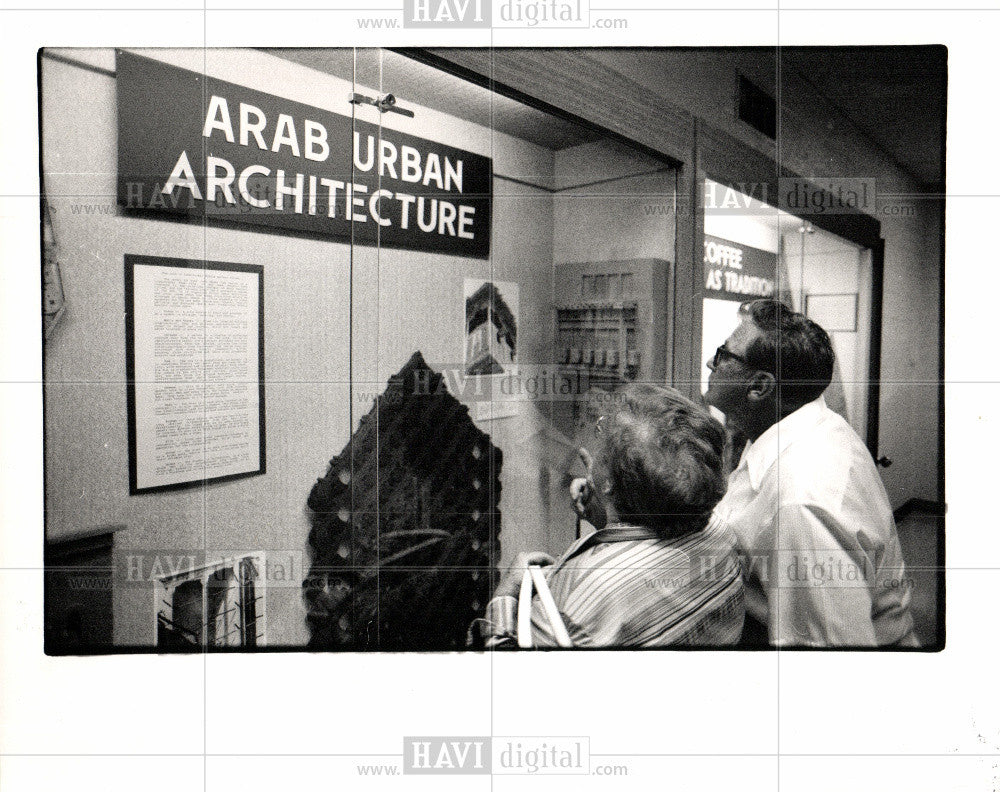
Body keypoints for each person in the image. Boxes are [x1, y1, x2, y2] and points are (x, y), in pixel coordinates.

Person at [704, 298, 917, 647]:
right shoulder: (798, 428)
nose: (711, 362)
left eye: (724, 355)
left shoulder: (800, 500)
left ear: (759, 386)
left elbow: (825, 655)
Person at [482, 384, 745, 648]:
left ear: (608, 480)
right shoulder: (722, 533)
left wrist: (505, 596)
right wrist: (610, 515)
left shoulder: (581, 596)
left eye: (601, 434)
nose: (595, 441)